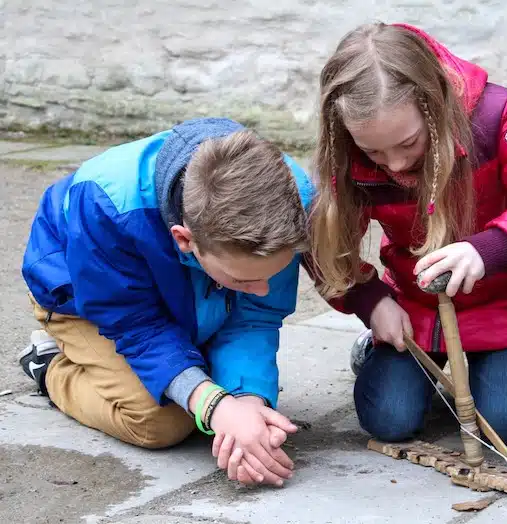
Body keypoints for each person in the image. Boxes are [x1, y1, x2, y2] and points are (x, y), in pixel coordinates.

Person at [306, 22, 507, 446]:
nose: (395, 165)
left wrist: (491, 248)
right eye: (374, 153)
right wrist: (370, 301)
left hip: (503, 303)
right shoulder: (348, 151)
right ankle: (378, 350)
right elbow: (324, 244)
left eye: (409, 143)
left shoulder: (495, 117)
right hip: (417, 308)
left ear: (433, 102)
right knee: (388, 420)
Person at [19, 117, 315, 487]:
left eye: (271, 274)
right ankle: (49, 366)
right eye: (244, 280)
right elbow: (136, 326)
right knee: (160, 424)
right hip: (81, 298)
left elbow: (256, 316)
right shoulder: (105, 202)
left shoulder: (289, 199)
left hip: (190, 294)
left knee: (220, 394)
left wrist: (249, 401)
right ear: (185, 240)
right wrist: (215, 405)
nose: (263, 289)